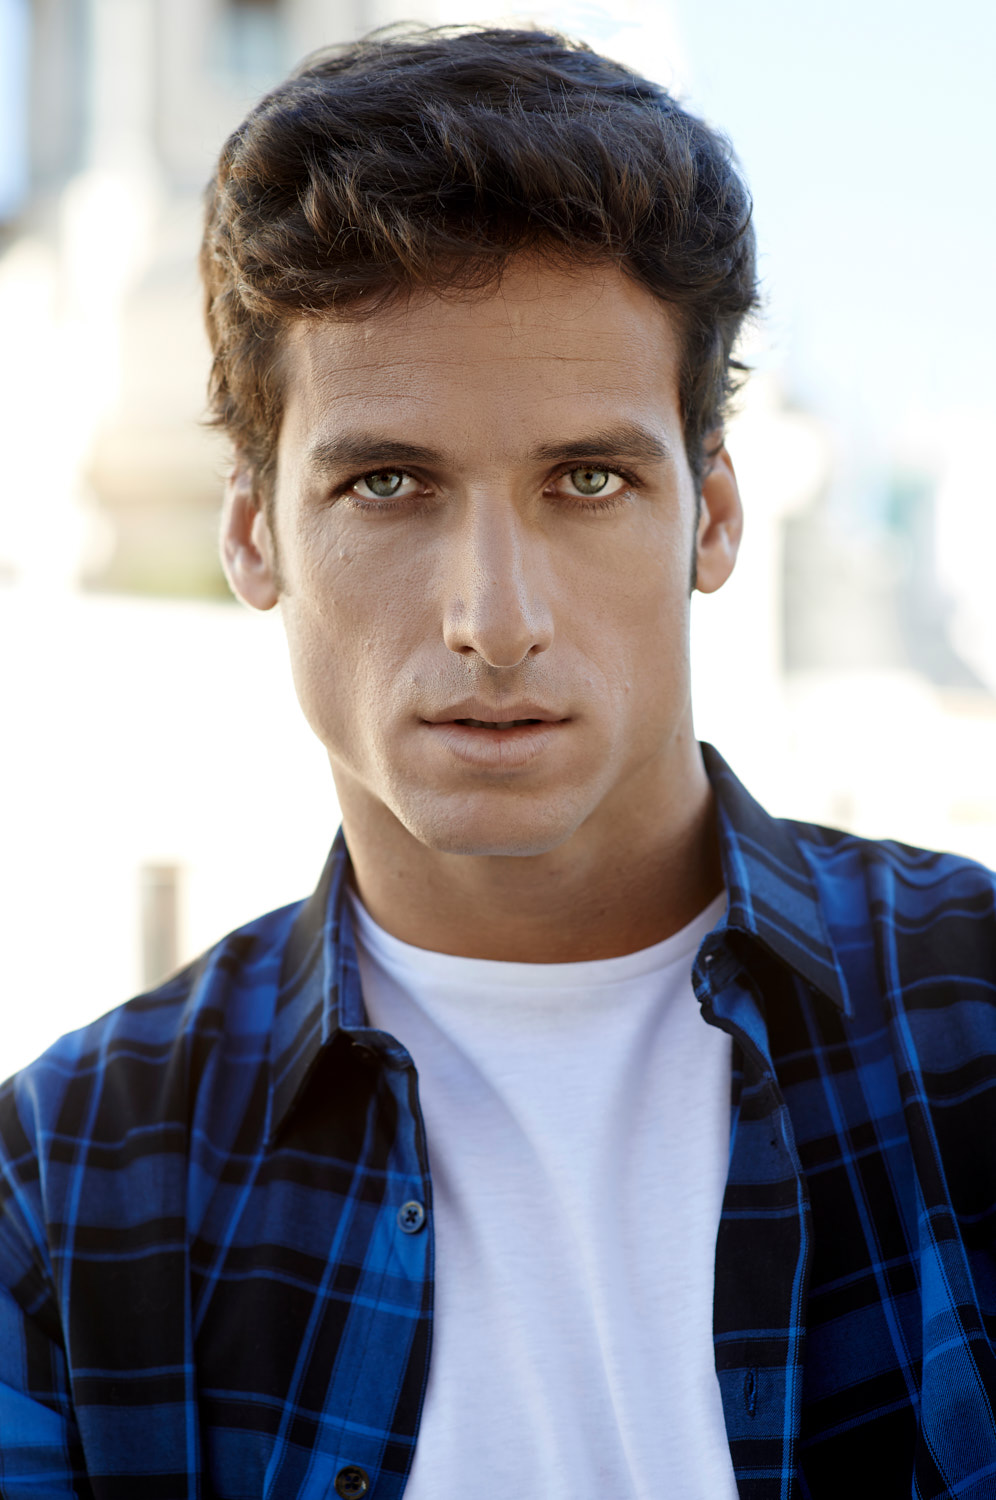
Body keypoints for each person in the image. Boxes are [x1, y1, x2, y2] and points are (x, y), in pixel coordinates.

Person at [2, 24, 995, 1500]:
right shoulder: (73, 1183)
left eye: (586, 480)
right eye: (386, 484)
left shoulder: (973, 1026)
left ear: (714, 514)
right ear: (254, 532)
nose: (494, 619)